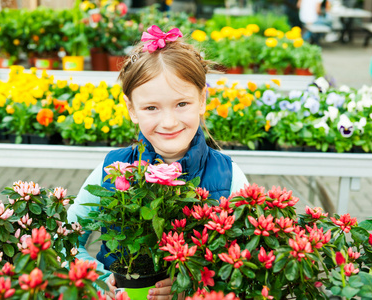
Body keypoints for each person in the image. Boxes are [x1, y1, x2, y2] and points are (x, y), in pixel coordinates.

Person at [67, 25, 249, 300]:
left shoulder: (229, 176)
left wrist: (191, 285)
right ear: (132, 109)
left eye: (182, 104)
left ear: (202, 100)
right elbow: (65, 240)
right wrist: (98, 279)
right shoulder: (111, 170)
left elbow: (246, 262)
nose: (168, 122)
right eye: (151, 107)